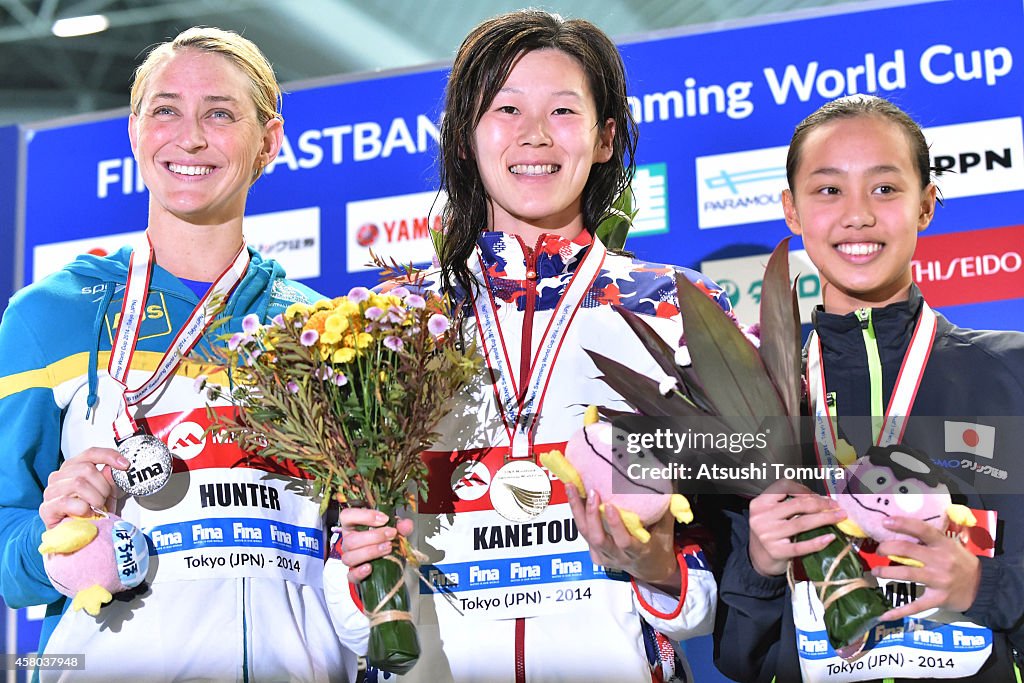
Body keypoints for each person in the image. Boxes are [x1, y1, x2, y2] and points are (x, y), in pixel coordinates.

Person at [337, 9, 728, 683]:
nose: (534, 135)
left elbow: (720, 557)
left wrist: (658, 566)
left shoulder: (675, 310)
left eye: (564, 111)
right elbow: (338, 559)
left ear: (606, 138)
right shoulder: (388, 321)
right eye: (506, 108)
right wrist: (364, 578)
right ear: (465, 137)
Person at [0, 27, 366, 682]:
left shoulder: (325, 332)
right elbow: (9, 552)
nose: (189, 137)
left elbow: (349, 540)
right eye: (164, 110)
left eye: (220, 113)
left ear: (268, 141)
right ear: (135, 133)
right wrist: (54, 546)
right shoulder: (47, 315)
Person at [714, 95, 1024, 682]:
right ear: (792, 210)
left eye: (885, 189)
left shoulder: (1010, 374)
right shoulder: (757, 397)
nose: (857, 215)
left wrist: (980, 586)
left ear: (927, 205)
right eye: (829, 190)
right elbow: (739, 659)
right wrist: (759, 564)